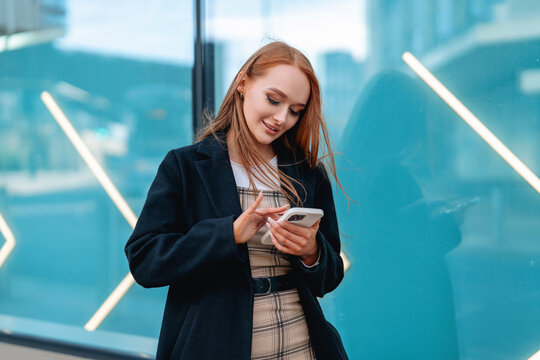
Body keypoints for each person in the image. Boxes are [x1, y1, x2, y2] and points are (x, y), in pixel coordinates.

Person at [125, 41, 348, 360]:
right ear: (243, 83)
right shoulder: (185, 166)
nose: (281, 118)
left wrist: (311, 252)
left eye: (295, 111)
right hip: (214, 345)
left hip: (302, 346)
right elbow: (144, 261)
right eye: (274, 99)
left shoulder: (309, 173)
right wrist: (227, 234)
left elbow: (331, 274)